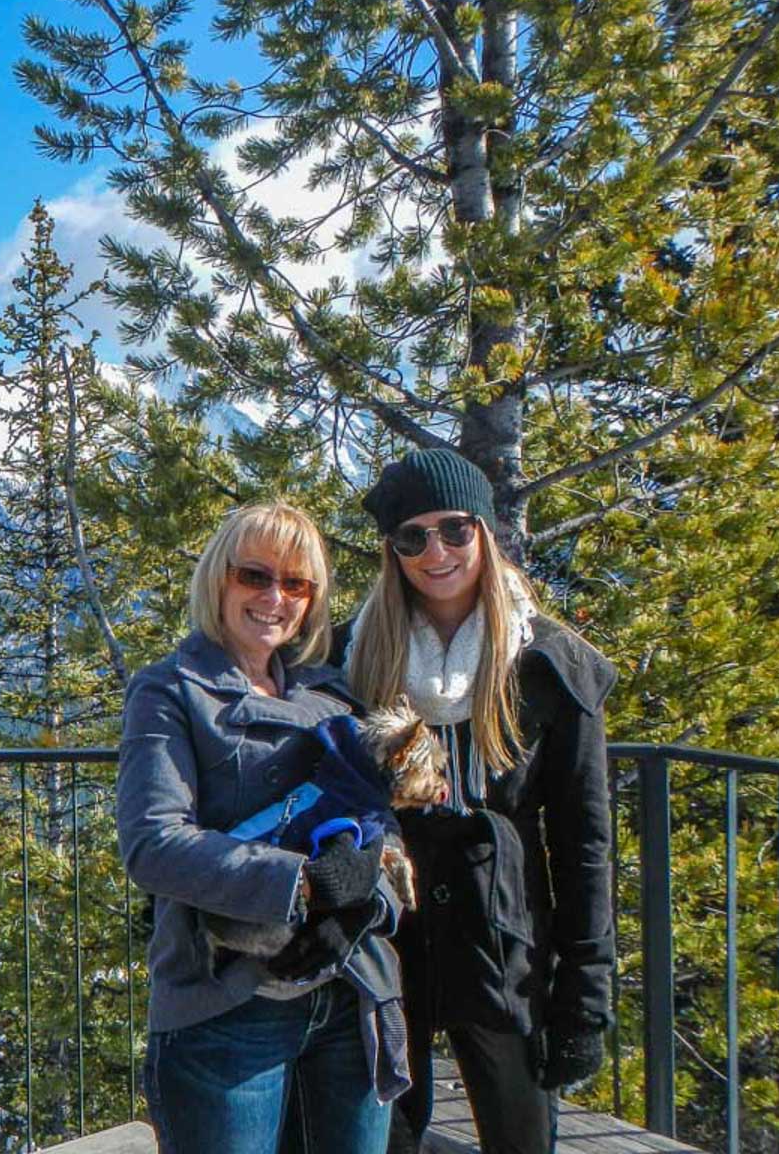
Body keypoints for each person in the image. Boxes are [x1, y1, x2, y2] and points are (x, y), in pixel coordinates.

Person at [332, 449, 617, 1154]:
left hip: (506, 943)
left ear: (485, 532)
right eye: (412, 536)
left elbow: (584, 839)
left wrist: (586, 994)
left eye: (455, 529)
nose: (437, 551)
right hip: (388, 936)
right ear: (391, 551)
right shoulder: (352, 657)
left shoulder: (550, 663)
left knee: (520, 1138)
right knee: (384, 1138)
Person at [116, 501, 409, 1154]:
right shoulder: (170, 691)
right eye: (255, 576)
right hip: (228, 1007)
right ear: (219, 578)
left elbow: (383, 822)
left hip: (350, 993)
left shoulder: (333, 694)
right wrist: (303, 884)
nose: (275, 597)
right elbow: (152, 844)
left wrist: (364, 890)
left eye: (296, 583)